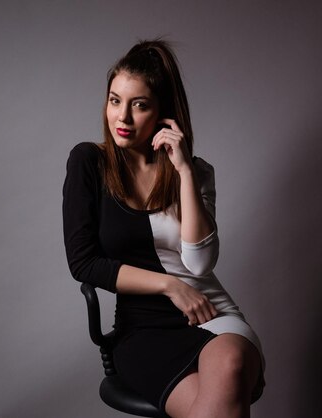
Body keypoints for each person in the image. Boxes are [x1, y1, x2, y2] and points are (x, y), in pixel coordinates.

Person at [63, 39, 265, 418]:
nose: (122, 117)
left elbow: (200, 264)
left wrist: (184, 170)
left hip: (210, 312)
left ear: (163, 113)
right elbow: (84, 263)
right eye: (114, 100)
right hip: (143, 329)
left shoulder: (196, 172)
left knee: (232, 362)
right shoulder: (89, 163)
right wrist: (171, 286)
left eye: (139, 105)